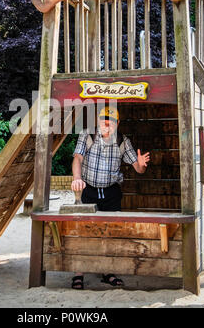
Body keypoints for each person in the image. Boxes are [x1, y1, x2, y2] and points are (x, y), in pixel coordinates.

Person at [71, 106, 150, 290]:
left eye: (111, 122)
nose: (107, 125)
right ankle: (78, 273)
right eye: (104, 121)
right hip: (89, 190)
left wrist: (140, 165)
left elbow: (138, 169)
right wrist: (76, 178)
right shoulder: (87, 135)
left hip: (111, 193)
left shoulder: (123, 141)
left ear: (117, 124)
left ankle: (108, 272)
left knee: (111, 232)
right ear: (98, 122)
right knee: (84, 231)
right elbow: (77, 158)